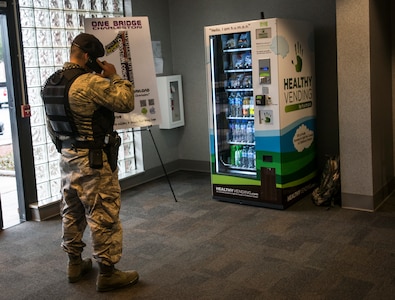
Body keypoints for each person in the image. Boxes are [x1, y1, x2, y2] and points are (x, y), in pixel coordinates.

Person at [41, 33, 138, 292]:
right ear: (87, 57)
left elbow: (51, 127)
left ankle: (74, 264)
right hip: (92, 161)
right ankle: (107, 272)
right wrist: (115, 76)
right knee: (102, 213)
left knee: (71, 212)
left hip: (67, 158)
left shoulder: (52, 83)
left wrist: (66, 148)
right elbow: (126, 101)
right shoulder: (89, 82)